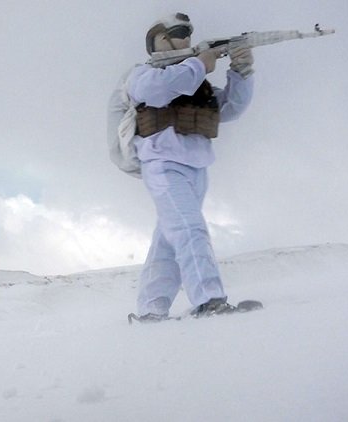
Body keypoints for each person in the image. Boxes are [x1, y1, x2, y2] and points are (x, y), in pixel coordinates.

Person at [127, 13, 254, 321]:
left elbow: (230, 109)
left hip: (197, 167)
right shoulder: (144, 75)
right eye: (178, 33)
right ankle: (209, 300)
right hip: (163, 164)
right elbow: (157, 92)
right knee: (188, 229)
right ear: (159, 41)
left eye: (187, 33)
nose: (186, 39)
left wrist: (242, 71)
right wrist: (200, 63)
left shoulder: (196, 80)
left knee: (170, 240)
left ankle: (151, 309)